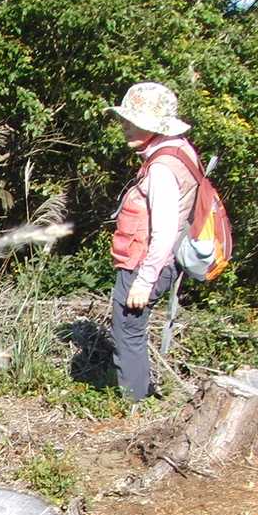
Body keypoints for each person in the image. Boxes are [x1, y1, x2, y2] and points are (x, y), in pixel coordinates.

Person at [107, 82, 202, 401]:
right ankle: (140, 397)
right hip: (160, 260)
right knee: (131, 331)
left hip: (146, 262)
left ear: (153, 126)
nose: (124, 126)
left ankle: (134, 404)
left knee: (128, 331)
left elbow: (163, 230)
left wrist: (144, 281)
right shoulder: (179, 149)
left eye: (132, 121)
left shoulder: (162, 168)